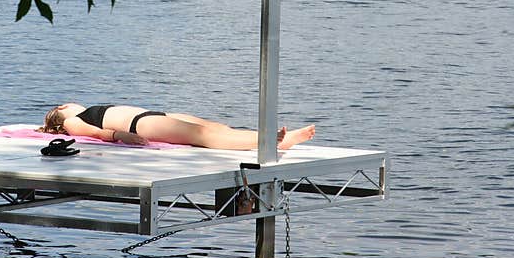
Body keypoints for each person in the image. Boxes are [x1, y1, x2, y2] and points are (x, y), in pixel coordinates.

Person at [37, 103, 316, 151]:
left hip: (154, 115)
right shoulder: (73, 120)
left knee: (216, 127)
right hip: (142, 124)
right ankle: (270, 142)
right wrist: (123, 136)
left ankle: (273, 139)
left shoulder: (83, 112)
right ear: (61, 111)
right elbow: (95, 133)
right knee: (206, 136)